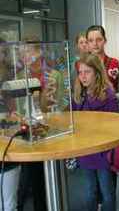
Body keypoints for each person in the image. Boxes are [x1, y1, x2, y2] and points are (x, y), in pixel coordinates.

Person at [17, 37, 64, 211]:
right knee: (34, 180)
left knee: (52, 180)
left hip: (52, 133)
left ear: (39, 52)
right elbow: (21, 108)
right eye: (22, 53)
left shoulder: (54, 75)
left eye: (28, 51)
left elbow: (60, 106)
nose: (24, 56)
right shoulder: (21, 76)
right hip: (30, 134)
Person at [72, 53, 119, 211]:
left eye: (87, 72)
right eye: (80, 72)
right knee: (89, 191)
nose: (83, 76)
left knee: (107, 192)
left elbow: (116, 125)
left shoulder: (108, 95)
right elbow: (72, 120)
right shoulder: (79, 94)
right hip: (85, 151)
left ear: (97, 72)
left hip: (103, 152)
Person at [0, 38, 20, 211]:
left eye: (3, 52)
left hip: (8, 145)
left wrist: (14, 115)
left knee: (8, 202)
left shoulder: (9, 76)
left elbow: (14, 108)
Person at [86, 25, 119, 103]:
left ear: (105, 40)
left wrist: (109, 97)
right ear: (87, 43)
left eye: (99, 40)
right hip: (89, 112)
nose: (95, 43)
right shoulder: (82, 66)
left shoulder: (115, 63)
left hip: (110, 112)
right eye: (91, 40)